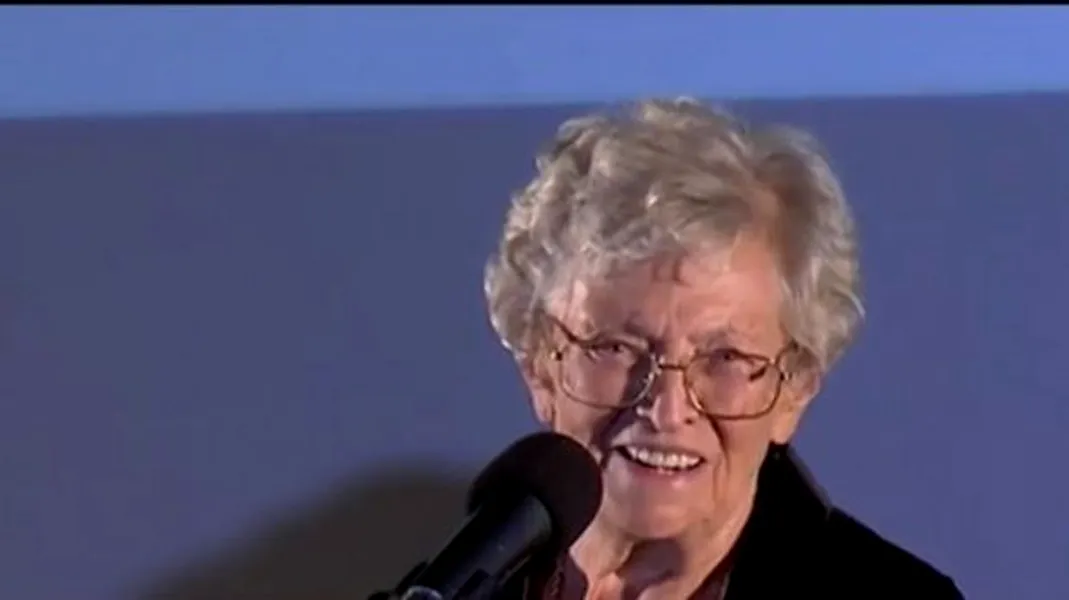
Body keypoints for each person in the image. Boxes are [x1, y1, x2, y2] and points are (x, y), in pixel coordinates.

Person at [479, 98, 964, 598]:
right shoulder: (467, 580)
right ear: (540, 367)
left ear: (794, 391)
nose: (667, 411)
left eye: (725, 359)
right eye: (617, 349)